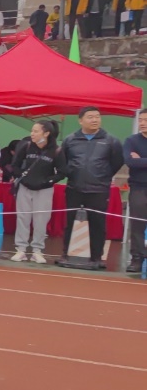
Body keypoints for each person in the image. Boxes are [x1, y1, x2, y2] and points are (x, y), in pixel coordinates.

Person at [61, 106, 124, 268]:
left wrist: (104, 175)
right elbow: (63, 160)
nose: (95, 120)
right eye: (90, 117)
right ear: (80, 120)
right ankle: (65, 255)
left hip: (99, 189)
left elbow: (117, 161)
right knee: (69, 222)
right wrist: (72, 173)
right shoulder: (70, 140)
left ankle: (96, 258)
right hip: (74, 188)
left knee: (98, 224)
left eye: (97, 116)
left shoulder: (111, 140)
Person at [11, 120, 65, 263]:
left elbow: (62, 172)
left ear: (46, 133)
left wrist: (47, 181)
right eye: (32, 131)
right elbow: (15, 165)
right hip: (25, 188)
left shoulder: (56, 151)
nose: (32, 134)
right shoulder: (26, 146)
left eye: (36, 131)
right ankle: (21, 249)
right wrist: (22, 178)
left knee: (41, 220)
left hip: (44, 191)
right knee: (23, 218)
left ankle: (37, 250)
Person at [124, 110, 147, 274]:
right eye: (141, 120)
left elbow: (138, 162)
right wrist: (135, 160)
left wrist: (141, 160)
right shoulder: (131, 141)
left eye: (146, 120)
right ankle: (137, 258)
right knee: (137, 224)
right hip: (138, 187)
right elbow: (130, 162)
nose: (142, 123)